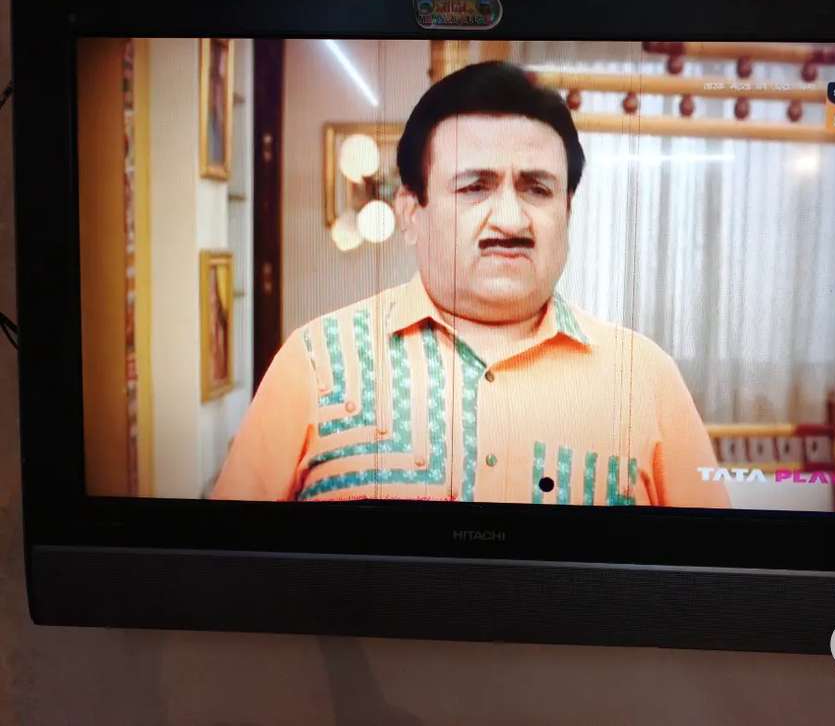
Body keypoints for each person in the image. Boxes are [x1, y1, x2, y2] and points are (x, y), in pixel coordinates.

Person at [212, 61, 728, 508]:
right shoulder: (317, 362)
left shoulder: (644, 379)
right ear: (411, 212)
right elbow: (229, 568)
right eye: (475, 187)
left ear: (567, 211)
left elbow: (709, 576)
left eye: (537, 189)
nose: (510, 219)